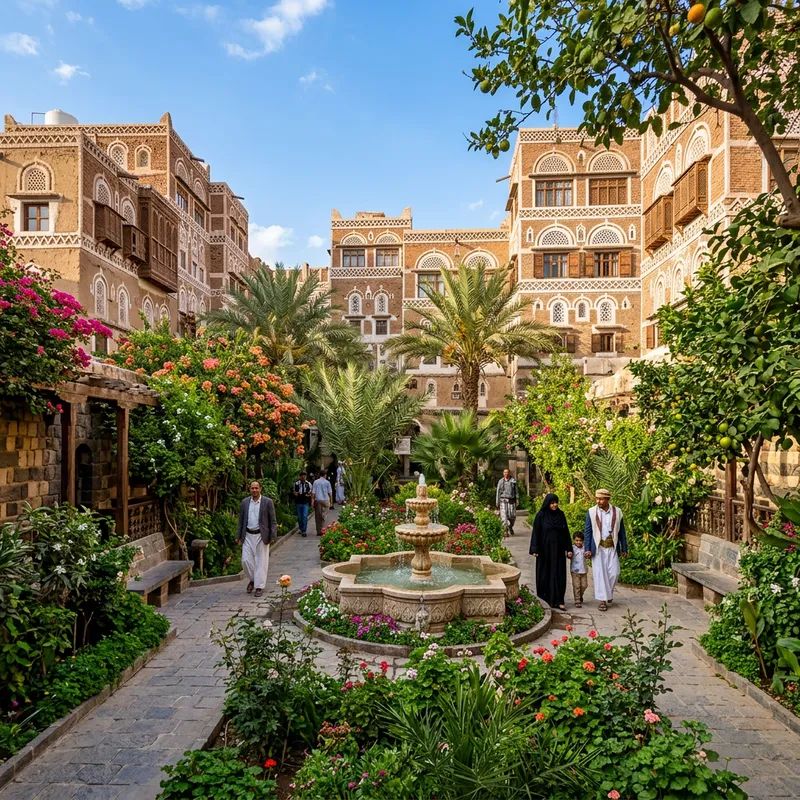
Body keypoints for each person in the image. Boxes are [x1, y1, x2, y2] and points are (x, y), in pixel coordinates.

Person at [584, 488, 628, 611]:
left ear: (608, 499)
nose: (598, 501)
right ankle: (603, 600)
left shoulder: (617, 512)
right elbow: (588, 531)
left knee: (615, 572)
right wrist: (587, 548)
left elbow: (622, 532)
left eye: (601, 499)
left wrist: (624, 548)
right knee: (600, 574)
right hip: (598, 548)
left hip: (612, 547)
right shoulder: (591, 512)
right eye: (597, 498)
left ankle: (608, 593)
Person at [529, 493, 572, 610]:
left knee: (559, 574)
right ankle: (544, 600)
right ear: (547, 503)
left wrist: (569, 548)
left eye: (556, 502)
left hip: (558, 551)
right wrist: (535, 549)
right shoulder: (541, 515)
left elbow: (566, 532)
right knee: (545, 574)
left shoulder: (561, 515)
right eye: (552, 503)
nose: (554, 505)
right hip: (545, 551)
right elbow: (536, 533)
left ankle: (559, 600)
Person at [236, 480, 277, 598]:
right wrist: (238, 536)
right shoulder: (245, 502)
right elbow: (241, 521)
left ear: (260, 489)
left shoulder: (267, 502)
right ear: (250, 489)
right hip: (248, 535)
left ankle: (259, 587)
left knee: (261, 562)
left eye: (256, 488)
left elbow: (273, 521)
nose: (254, 490)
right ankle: (253, 579)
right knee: (245, 560)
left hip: (261, 535)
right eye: (252, 488)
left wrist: (272, 536)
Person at [496, 468, 518, 537]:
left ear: (509, 473)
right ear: (503, 473)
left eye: (507, 472)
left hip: (511, 501)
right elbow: (498, 492)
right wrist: (497, 501)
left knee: (512, 516)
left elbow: (516, 491)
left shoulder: (513, 481)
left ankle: (510, 526)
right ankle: (505, 530)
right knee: (504, 516)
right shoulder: (500, 481)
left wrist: (517, 499)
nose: (506, 473)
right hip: (503, 501)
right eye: (505, 472)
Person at [312, 469, 333, 536]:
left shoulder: (315, 482)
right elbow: (330, 494)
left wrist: (312, 503)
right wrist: (331, 502)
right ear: (325, 475)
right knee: (324, 515)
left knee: (318, 516)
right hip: (325, 500)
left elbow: (313, 493)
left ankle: (319, 531)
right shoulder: (327, 482)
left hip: (318, 500)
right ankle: (324, 530)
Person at [570, 531, 589, 608]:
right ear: (574, 540)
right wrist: (569, 555)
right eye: (576, 540)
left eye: (580, 540)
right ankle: (577, 600)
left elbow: (588, 556)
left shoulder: (585, 548)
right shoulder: (572, 548)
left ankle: (580, 595)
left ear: (583, 541)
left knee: (584, 585)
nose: (578, 542)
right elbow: (568, 555)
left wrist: (588, 555)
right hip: (575, 571)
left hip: (584, 570)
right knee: (576, 586)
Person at [292, 470, 313, 537]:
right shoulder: (296, 484)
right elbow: (294, 492)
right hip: (298, 502)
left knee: (304, 516)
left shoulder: (308, 484)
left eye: (304, 476)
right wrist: (296, 494)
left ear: (306, 477)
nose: (303, 477)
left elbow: (311, 493)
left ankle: (304, 531)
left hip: (305, 502)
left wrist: (309, 495)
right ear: (300, 477)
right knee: (299, 517)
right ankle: (301, 528)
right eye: (302, 476)